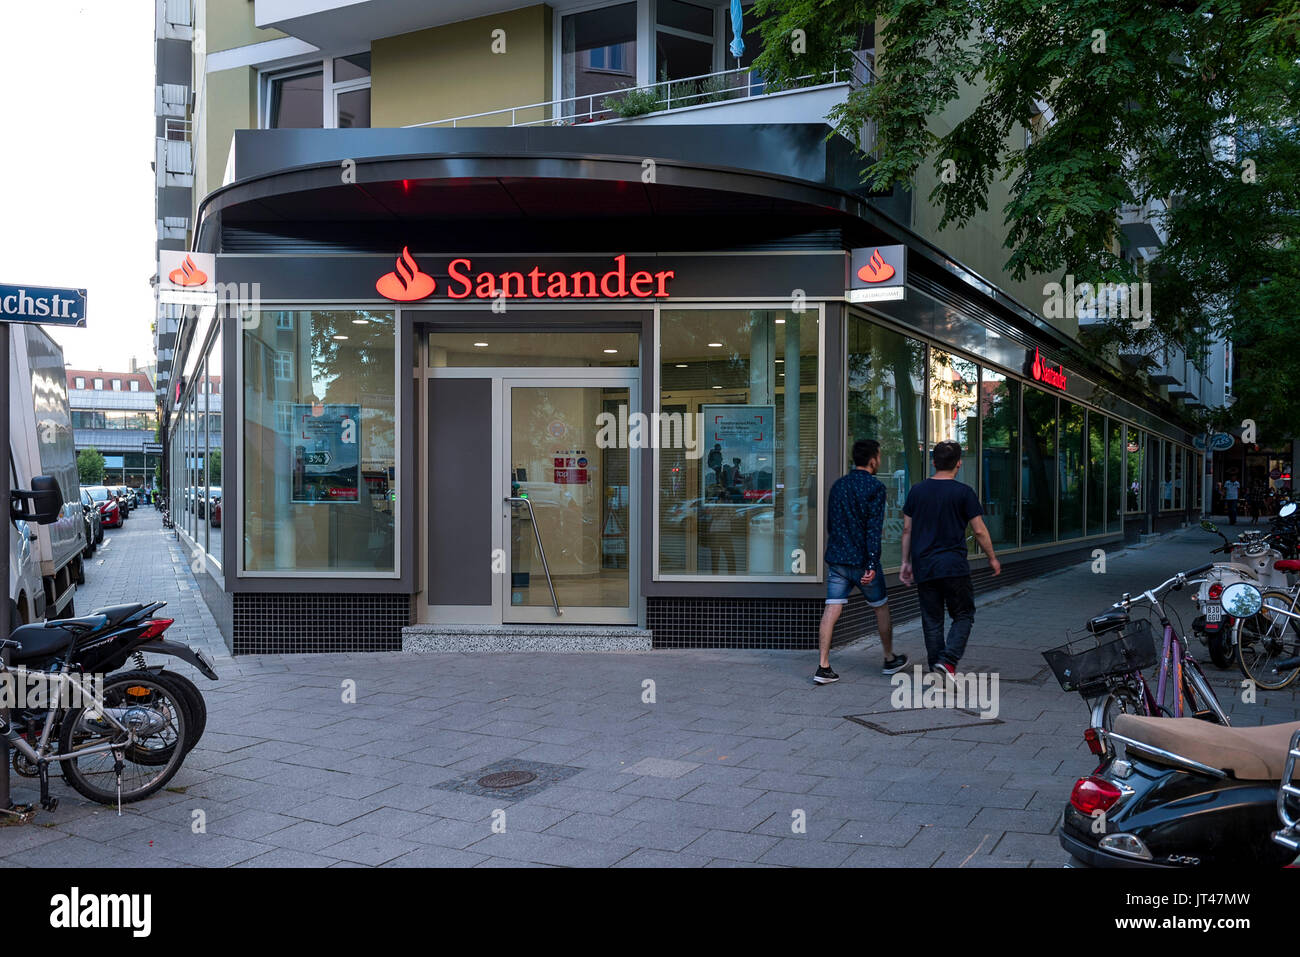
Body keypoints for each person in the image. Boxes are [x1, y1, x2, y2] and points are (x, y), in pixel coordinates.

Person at [899, 440, 1001, 680]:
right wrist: (992, 558)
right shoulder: (964, 493)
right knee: (963, 614)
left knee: (932, 619)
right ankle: (948, 662)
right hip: (954, 566)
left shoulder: (917, 491)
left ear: (933, 463)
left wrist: (906, 562)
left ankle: (938, 668)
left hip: (925, 566)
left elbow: (907, 530)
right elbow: (979, 531)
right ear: (958, 464)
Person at [815, 438, 907, 684]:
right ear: (873, 459)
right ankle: (889, 658)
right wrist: (871, 564)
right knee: (881, 607)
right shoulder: (875, 487)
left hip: (838, 560)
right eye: (878, 456)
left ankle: (823, 666)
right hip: (863, 561)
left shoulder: (839, 485)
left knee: (831, 608)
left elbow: (831, 525)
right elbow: (873, 529)